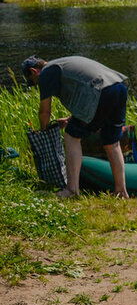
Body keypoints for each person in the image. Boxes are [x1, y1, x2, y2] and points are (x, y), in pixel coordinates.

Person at [22, 55, 130, 199]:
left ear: (34, 71)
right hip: (118, 86)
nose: (36, 85)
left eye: (33, 82)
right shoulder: (63, 64)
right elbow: (86, 86)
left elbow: (44, 112)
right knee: (112, 143)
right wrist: (70, 119)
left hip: (101, 92)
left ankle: (72, 191)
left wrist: (44, 132)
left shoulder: (46, 73)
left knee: (71, 135)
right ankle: (121, 192)